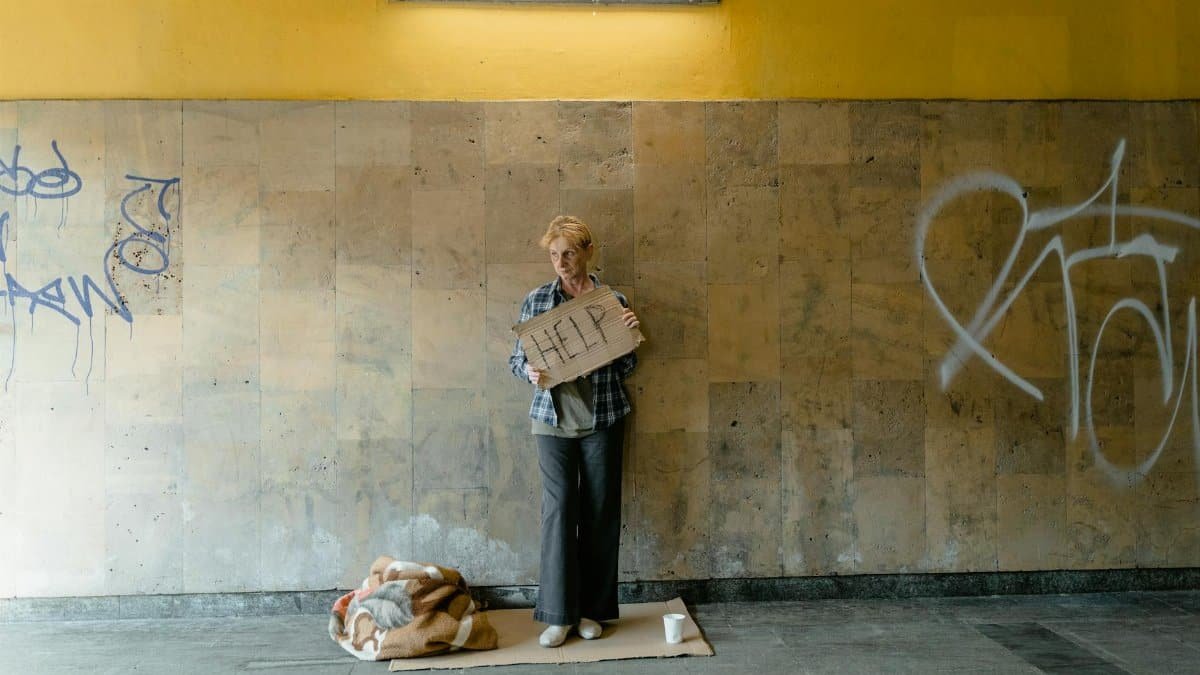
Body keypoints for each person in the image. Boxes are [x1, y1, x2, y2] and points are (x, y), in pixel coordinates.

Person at [508, 215, 640, 648]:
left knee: (600, 512)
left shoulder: (609, 300)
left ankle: (592, 612)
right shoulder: (537, 301)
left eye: (568, 253)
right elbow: (514, 361)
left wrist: (630, 339)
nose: (561, 263)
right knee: (559, 511)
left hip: (602, 416)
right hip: (551, 420)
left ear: (587, 251)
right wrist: (527, 370)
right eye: (553, 255)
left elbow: (627, 367)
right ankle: (559, 616)